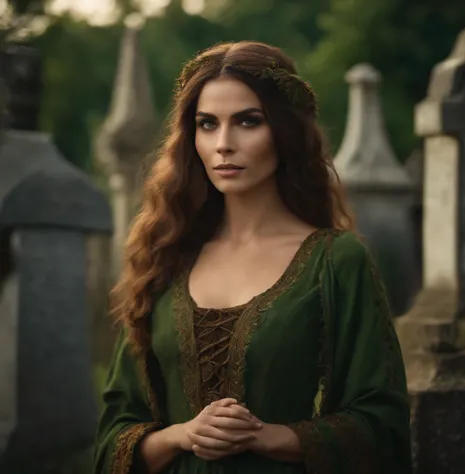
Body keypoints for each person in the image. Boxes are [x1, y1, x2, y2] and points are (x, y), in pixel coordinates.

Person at [94, 41, 412, 474]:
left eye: (248, 121)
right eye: (207, 124)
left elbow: (381, 424)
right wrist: (182, 434)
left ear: (285, 131)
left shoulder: (335, 261)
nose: (224, 144)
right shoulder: (165, 259)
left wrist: (268, 436)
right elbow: (116, 430)